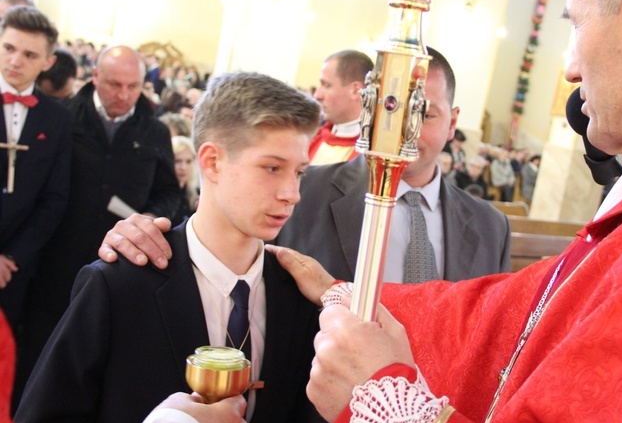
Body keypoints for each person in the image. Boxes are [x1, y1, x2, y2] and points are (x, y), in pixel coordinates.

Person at [285, 0, 622, 423]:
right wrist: (342, 292)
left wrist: (383, 401)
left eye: (576, 24)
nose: (569, 69)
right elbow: (512, 316)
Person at [15, 72, 327, 423]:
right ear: (212, 162)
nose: (292, 193)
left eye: (299, 172)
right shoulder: (120, 284)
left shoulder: (297, 295)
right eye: (272, 168)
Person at [97, 47, 511, 284]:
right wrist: (139, 236)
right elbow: (216, 243)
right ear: (368, 109)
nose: (404, 135)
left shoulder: (491, 227)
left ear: (454, 121)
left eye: (426, 116)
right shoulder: (303, 191)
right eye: (392, 114)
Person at [15, 45, 181, 403]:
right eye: (113, 84)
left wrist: (151, 217)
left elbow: (170, 193)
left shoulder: (153, 131)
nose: (123, 95)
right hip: (54, 264)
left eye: (133, 87)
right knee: (38, 362)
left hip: (116, 269)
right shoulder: (63, 118)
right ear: (94, 77)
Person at [0, 7, 72, 333]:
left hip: (16, 269)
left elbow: (54, 199)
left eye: (29, 54)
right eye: (9, 48)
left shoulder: (56, 118)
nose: (15, 61)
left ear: (47, 62)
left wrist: (12, 257)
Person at [308, 49, 373, 165]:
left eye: (326, 85)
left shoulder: (371, 154)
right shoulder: (310, 138)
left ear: (355, 90)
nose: (317, 95)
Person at [170, 135, 198, 225]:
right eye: (177, 161)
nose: (183, 167)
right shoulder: (157, 196)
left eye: (188, 161)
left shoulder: (197, 196)